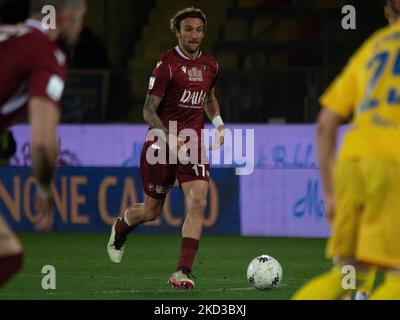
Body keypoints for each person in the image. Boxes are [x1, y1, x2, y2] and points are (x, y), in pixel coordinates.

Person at [107, 7, 224, 290]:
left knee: (198, 201)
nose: (194, 35)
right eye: (188, 29)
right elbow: (147, 111)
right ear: (177, 32)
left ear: (203, 32)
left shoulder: (211, 65)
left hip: (193, 143)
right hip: (160, 143)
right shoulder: (166, 64)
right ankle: (120, 227)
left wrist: (219, 125)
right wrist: (169, 138)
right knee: (151, 212)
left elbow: (209, 98)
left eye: (198, 30)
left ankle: (183, 271)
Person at [292, 0, 400, 300]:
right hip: (393, 162)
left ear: (387, 12)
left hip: (353, 163)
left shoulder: (372, 47)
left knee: (346, 274)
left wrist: (330, 194)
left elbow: (326, 123)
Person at [0, 0, 86, 287]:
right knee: (8, 254)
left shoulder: (9, 35)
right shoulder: (47, 56)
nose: (80, 27)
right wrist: (44, 189)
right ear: (65, 18)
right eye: (79, 19)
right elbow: (42, 144)